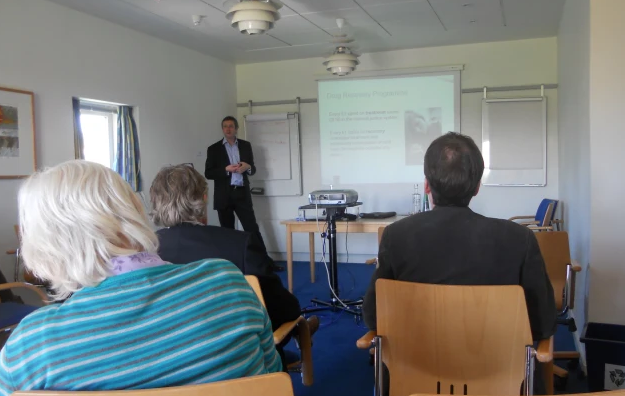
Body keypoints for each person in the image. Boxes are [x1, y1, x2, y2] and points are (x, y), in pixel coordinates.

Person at [0, 161, 281, 396]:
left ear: (44, 242)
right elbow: (273, 388)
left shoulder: (31, 347)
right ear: (132, 210)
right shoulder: (227, 284)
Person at [363, 132, 556, 344]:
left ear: (427, 185)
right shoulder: (521, 239)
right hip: (500, 372)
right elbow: (542, 325)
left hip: (414, 371)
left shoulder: (395, 236)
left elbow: (374, 318)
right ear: (477, 187)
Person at [150, 163, 315, 338]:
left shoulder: (141, 252)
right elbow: (281, 310)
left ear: (156, 203)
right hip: (238, 355)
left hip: (165, 354)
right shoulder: (241, 244)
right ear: (204, 198)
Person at [205, 116, 282, 271]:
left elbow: (252, 169)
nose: (228, 129)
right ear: (222, 129)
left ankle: (265, 264)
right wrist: (226, 170)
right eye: (225, 126)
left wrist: (247, 167)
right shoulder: (213, 148)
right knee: (228, 233)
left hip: (241, 194)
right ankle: (232, 266)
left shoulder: (246, 146)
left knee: (252, 230)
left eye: (231, 126)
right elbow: (208, 173)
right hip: (224, 196)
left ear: (236, 128)